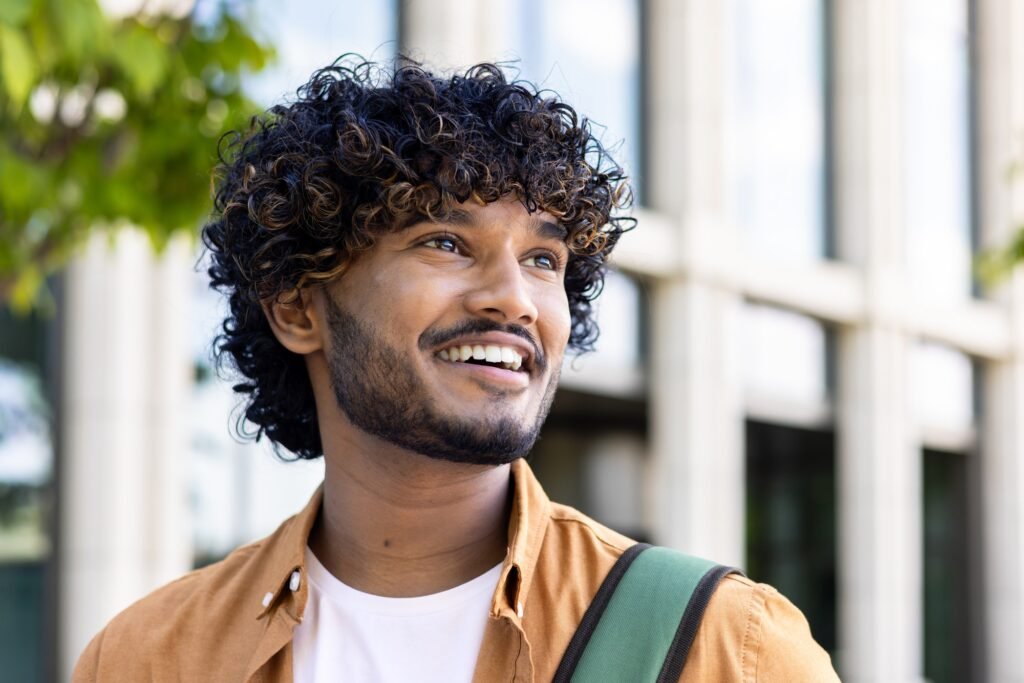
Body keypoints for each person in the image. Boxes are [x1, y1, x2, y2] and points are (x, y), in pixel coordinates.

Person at [73, 57, 839, 682]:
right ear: (298, 309)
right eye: (444, 242)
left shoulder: (728, 649)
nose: (515, 298)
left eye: (543, 258)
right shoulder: (149, 658)